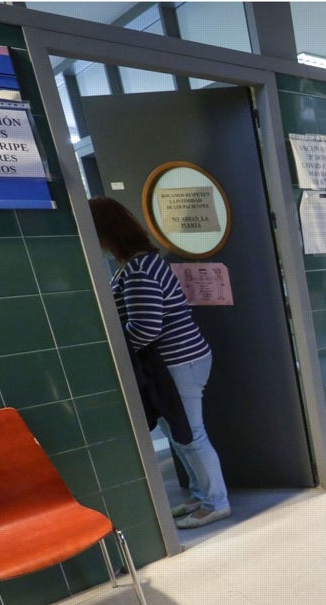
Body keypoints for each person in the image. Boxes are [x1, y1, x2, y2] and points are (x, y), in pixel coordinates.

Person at [89, 196, 231, 529]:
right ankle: (201, 494)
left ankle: (216, 502)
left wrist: (120, 350)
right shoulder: (138, 263)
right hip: (180, 360)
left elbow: (146, 327)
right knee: (180, 432)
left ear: (107, 233)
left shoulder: (138, 268)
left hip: (177, 362)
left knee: (191, 434)